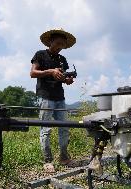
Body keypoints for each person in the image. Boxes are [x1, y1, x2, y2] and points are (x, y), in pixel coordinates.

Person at [30, 28, 76, 173]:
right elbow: (32, 73)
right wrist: (50, 71)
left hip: (60, 97)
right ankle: (47, 160)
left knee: (64, 128)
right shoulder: (40, 55)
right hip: (46, 97)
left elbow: (64, 78)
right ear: (50, 41)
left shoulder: (63, 60)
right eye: (57, 43)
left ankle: (63, 157)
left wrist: (67, 80)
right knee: (46, 129)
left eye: (62, 44)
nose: (59, 47)